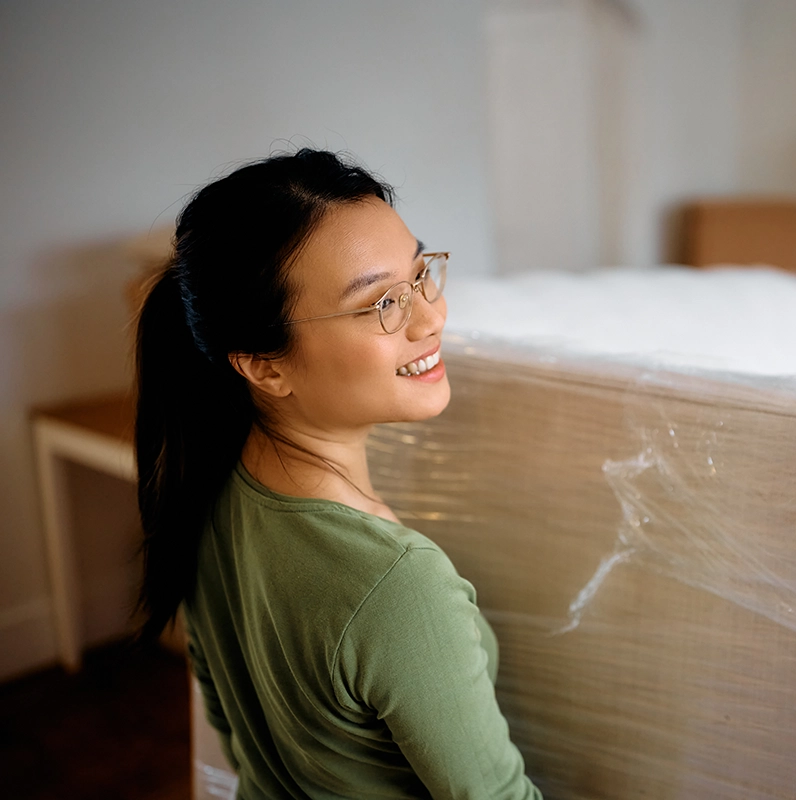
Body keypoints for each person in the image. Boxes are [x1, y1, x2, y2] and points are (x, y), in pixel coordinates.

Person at [135, 149, 542, 799]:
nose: (430, 317)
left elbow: (240, 749)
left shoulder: (200, 495)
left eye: (420, 274)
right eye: (381, 303)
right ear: (265, 366)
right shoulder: (396, 582)